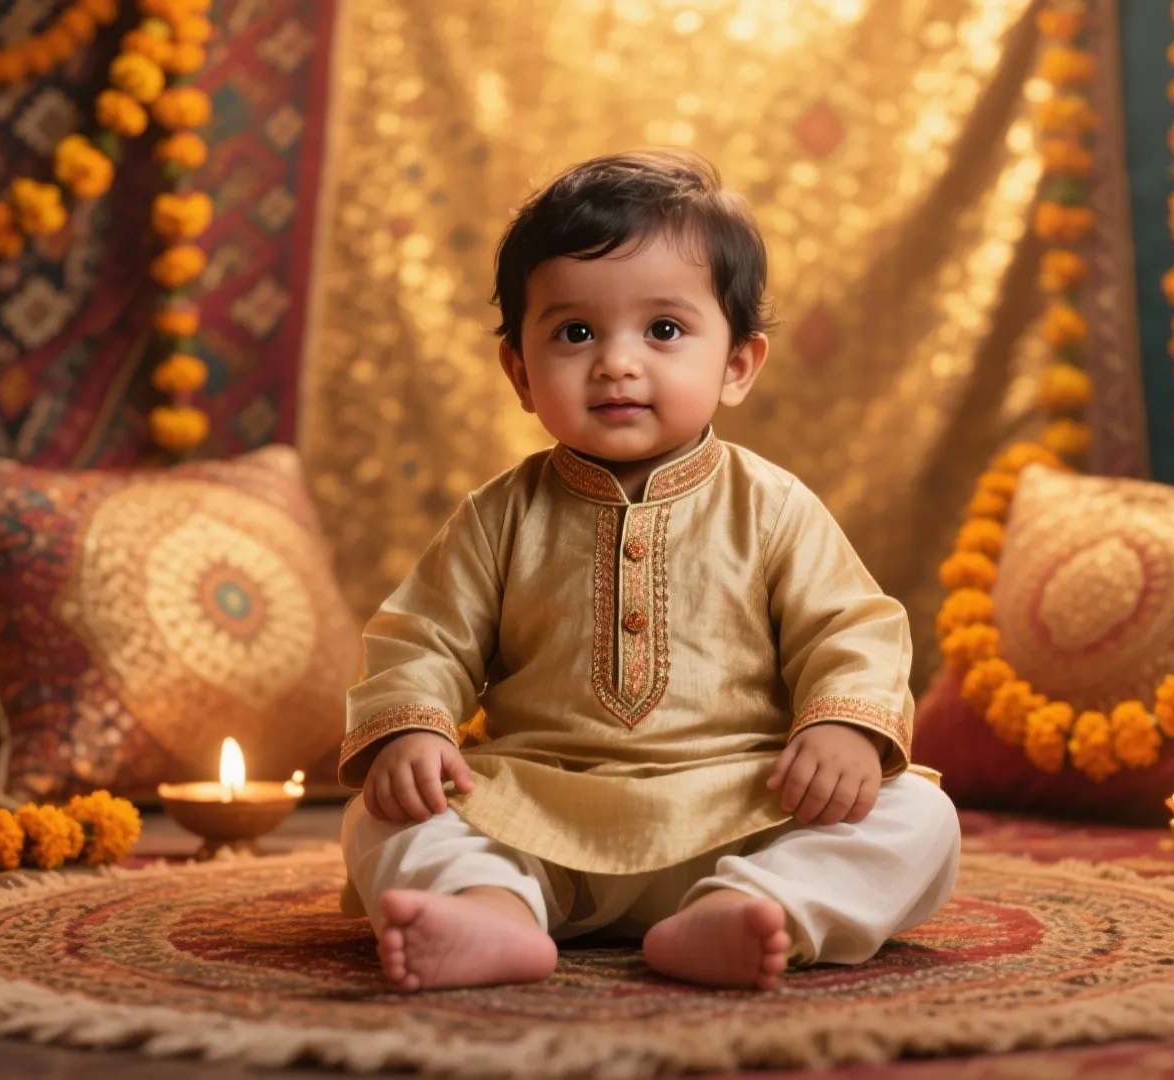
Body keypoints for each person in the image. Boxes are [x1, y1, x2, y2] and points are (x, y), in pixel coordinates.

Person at [338, 148, 960, 993]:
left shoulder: (772, 506)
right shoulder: (498, 515)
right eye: (575, 333)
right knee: (385, 815)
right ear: (519, 371)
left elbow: (849, 627)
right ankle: (491, 910)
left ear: (737, 363)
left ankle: (747, 909)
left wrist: (843, 728)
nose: (616, 363)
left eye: (663, 330)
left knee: (919, 816)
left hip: (742, 810)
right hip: (537, 808)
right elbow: (424, 638)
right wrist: (413, 730)